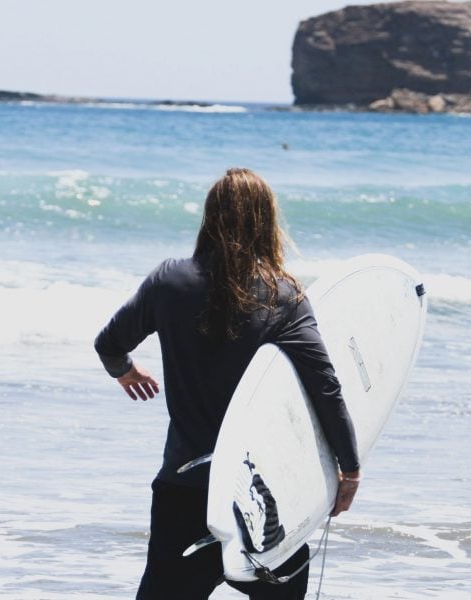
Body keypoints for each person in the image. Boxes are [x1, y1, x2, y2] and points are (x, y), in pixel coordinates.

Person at [94, 168, 361, 599]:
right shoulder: (284, 296)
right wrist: (349, 468)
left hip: (184, 486)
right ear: (265, 221)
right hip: (261, 495)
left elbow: (109, 342)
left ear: (210, 217)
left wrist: (124, 370)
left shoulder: (169, 281)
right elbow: (324, 387)